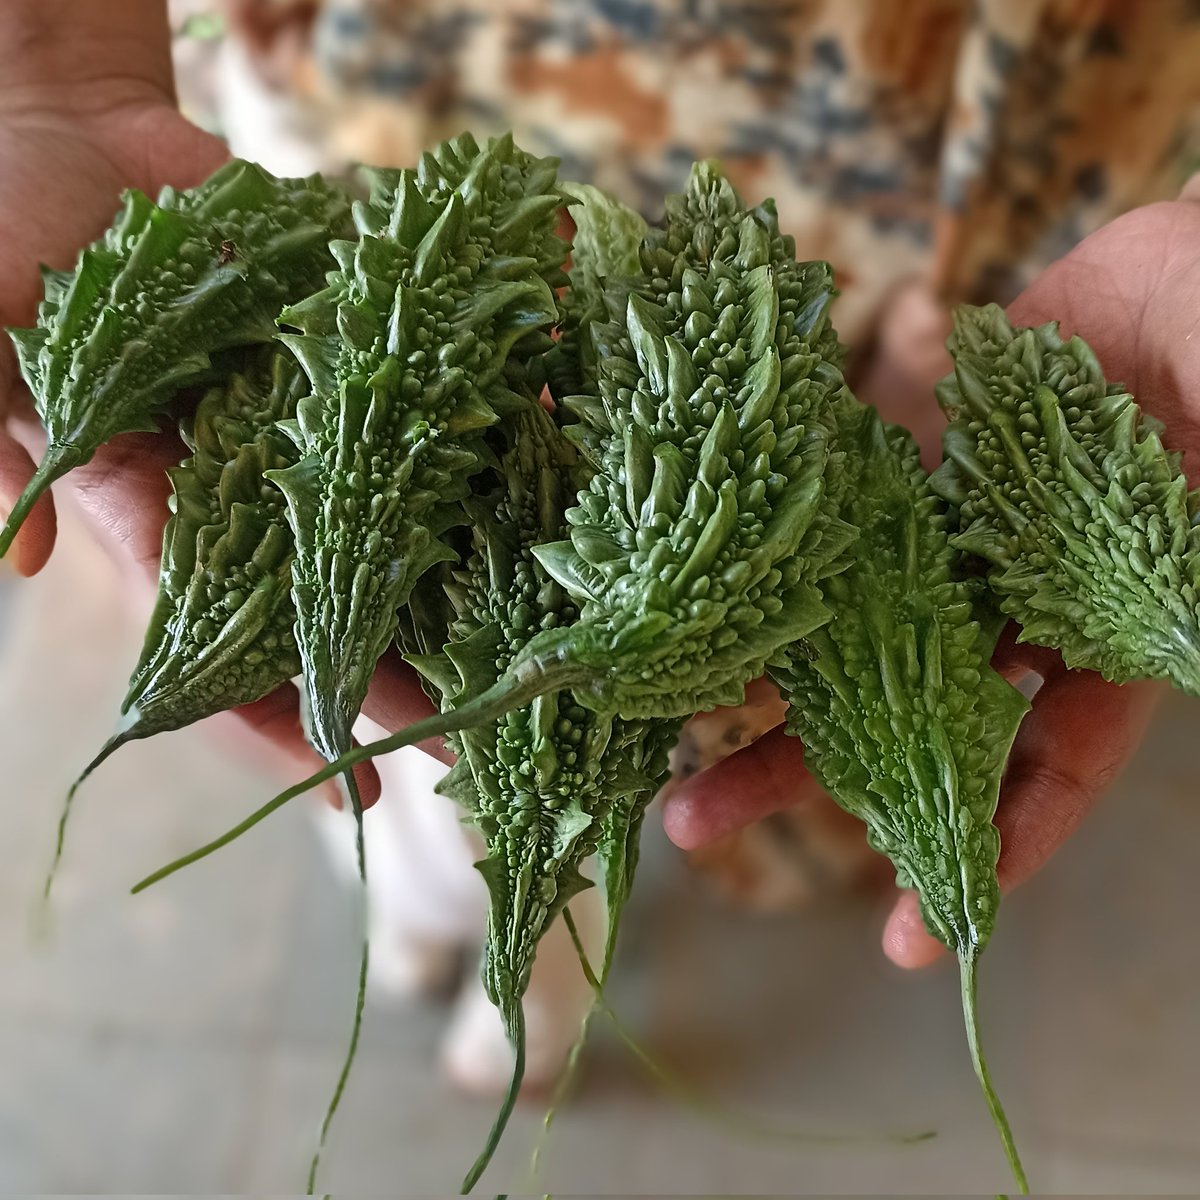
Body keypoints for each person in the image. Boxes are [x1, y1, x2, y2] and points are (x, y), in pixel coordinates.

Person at [0, 0, 1191, 972]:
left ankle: (506, 935)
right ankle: (458, 919)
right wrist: (58, 82)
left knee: (782, 699)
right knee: (426, 692)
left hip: (970, 123)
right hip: (390, 93)